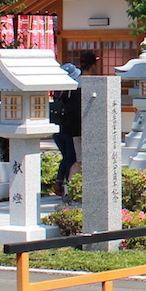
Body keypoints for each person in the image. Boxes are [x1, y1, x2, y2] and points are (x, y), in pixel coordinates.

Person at [50, 51, 96, 198]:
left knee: (66, 157)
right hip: (72, 131)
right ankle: (69, 187)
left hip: (58, 128)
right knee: (73, 159)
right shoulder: (77, 92)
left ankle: (59, 183)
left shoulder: (60, 91)